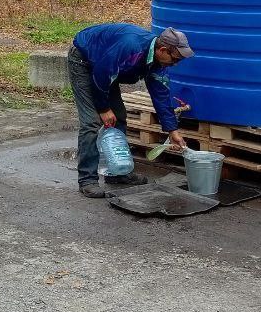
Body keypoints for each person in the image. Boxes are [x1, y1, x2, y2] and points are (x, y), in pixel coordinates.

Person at [68, 23, 193, 198]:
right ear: (163, 50)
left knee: (118, 117)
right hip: (84, 60)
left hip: (105, 67)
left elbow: (161, 96)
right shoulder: (131, 48)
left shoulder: (158, 62)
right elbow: (101, 74)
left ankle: (118, 172)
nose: (176, 64)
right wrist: (103, 108)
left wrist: (172, 130)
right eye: (175, 59)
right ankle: (87, 180)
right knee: (91, 122)